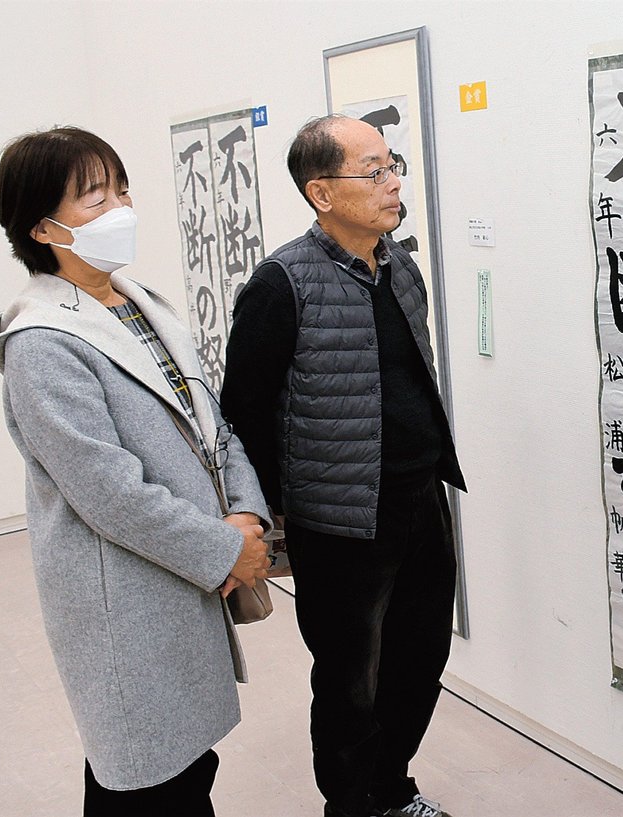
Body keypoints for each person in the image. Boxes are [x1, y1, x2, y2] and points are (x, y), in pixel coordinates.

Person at [0, 126, 273, 817]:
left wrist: (246, 514)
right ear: (42, 228)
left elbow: (212, 424)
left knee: (184, 765)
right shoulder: (43, 342)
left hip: (184, 572)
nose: (120, 208)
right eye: (95, 197)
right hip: (129, 594)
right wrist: (225, 548)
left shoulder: (138, 302)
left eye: (121, 189)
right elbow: (109, 492)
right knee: (143, 772)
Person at [220, 114, 466, 817]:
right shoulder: (280, 284)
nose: (393, 184)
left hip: (421, 499)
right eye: (374, 171)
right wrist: (263, 524)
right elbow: (243, 415)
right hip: (339, 519)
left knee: (421, 658)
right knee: (349, 678)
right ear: (322, 193)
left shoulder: (400, 266)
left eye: (393, 166)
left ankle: (392, 787)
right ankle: (352, 805)